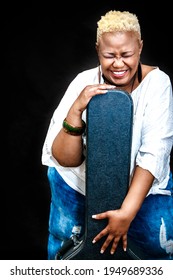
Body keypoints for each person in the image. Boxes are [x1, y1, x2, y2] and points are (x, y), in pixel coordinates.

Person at [42, 10, 173, 260]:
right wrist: (76, 109)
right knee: (68, 254)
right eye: (109, 55)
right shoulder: (83, 81)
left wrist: (126, 213)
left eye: (127, 54)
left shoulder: (158, 84)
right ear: (97, 50)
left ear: (140, 47)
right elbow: (65, 159)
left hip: (141, 188)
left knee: (155, 251)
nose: (118, 63)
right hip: (78, 186)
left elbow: (154, 154)